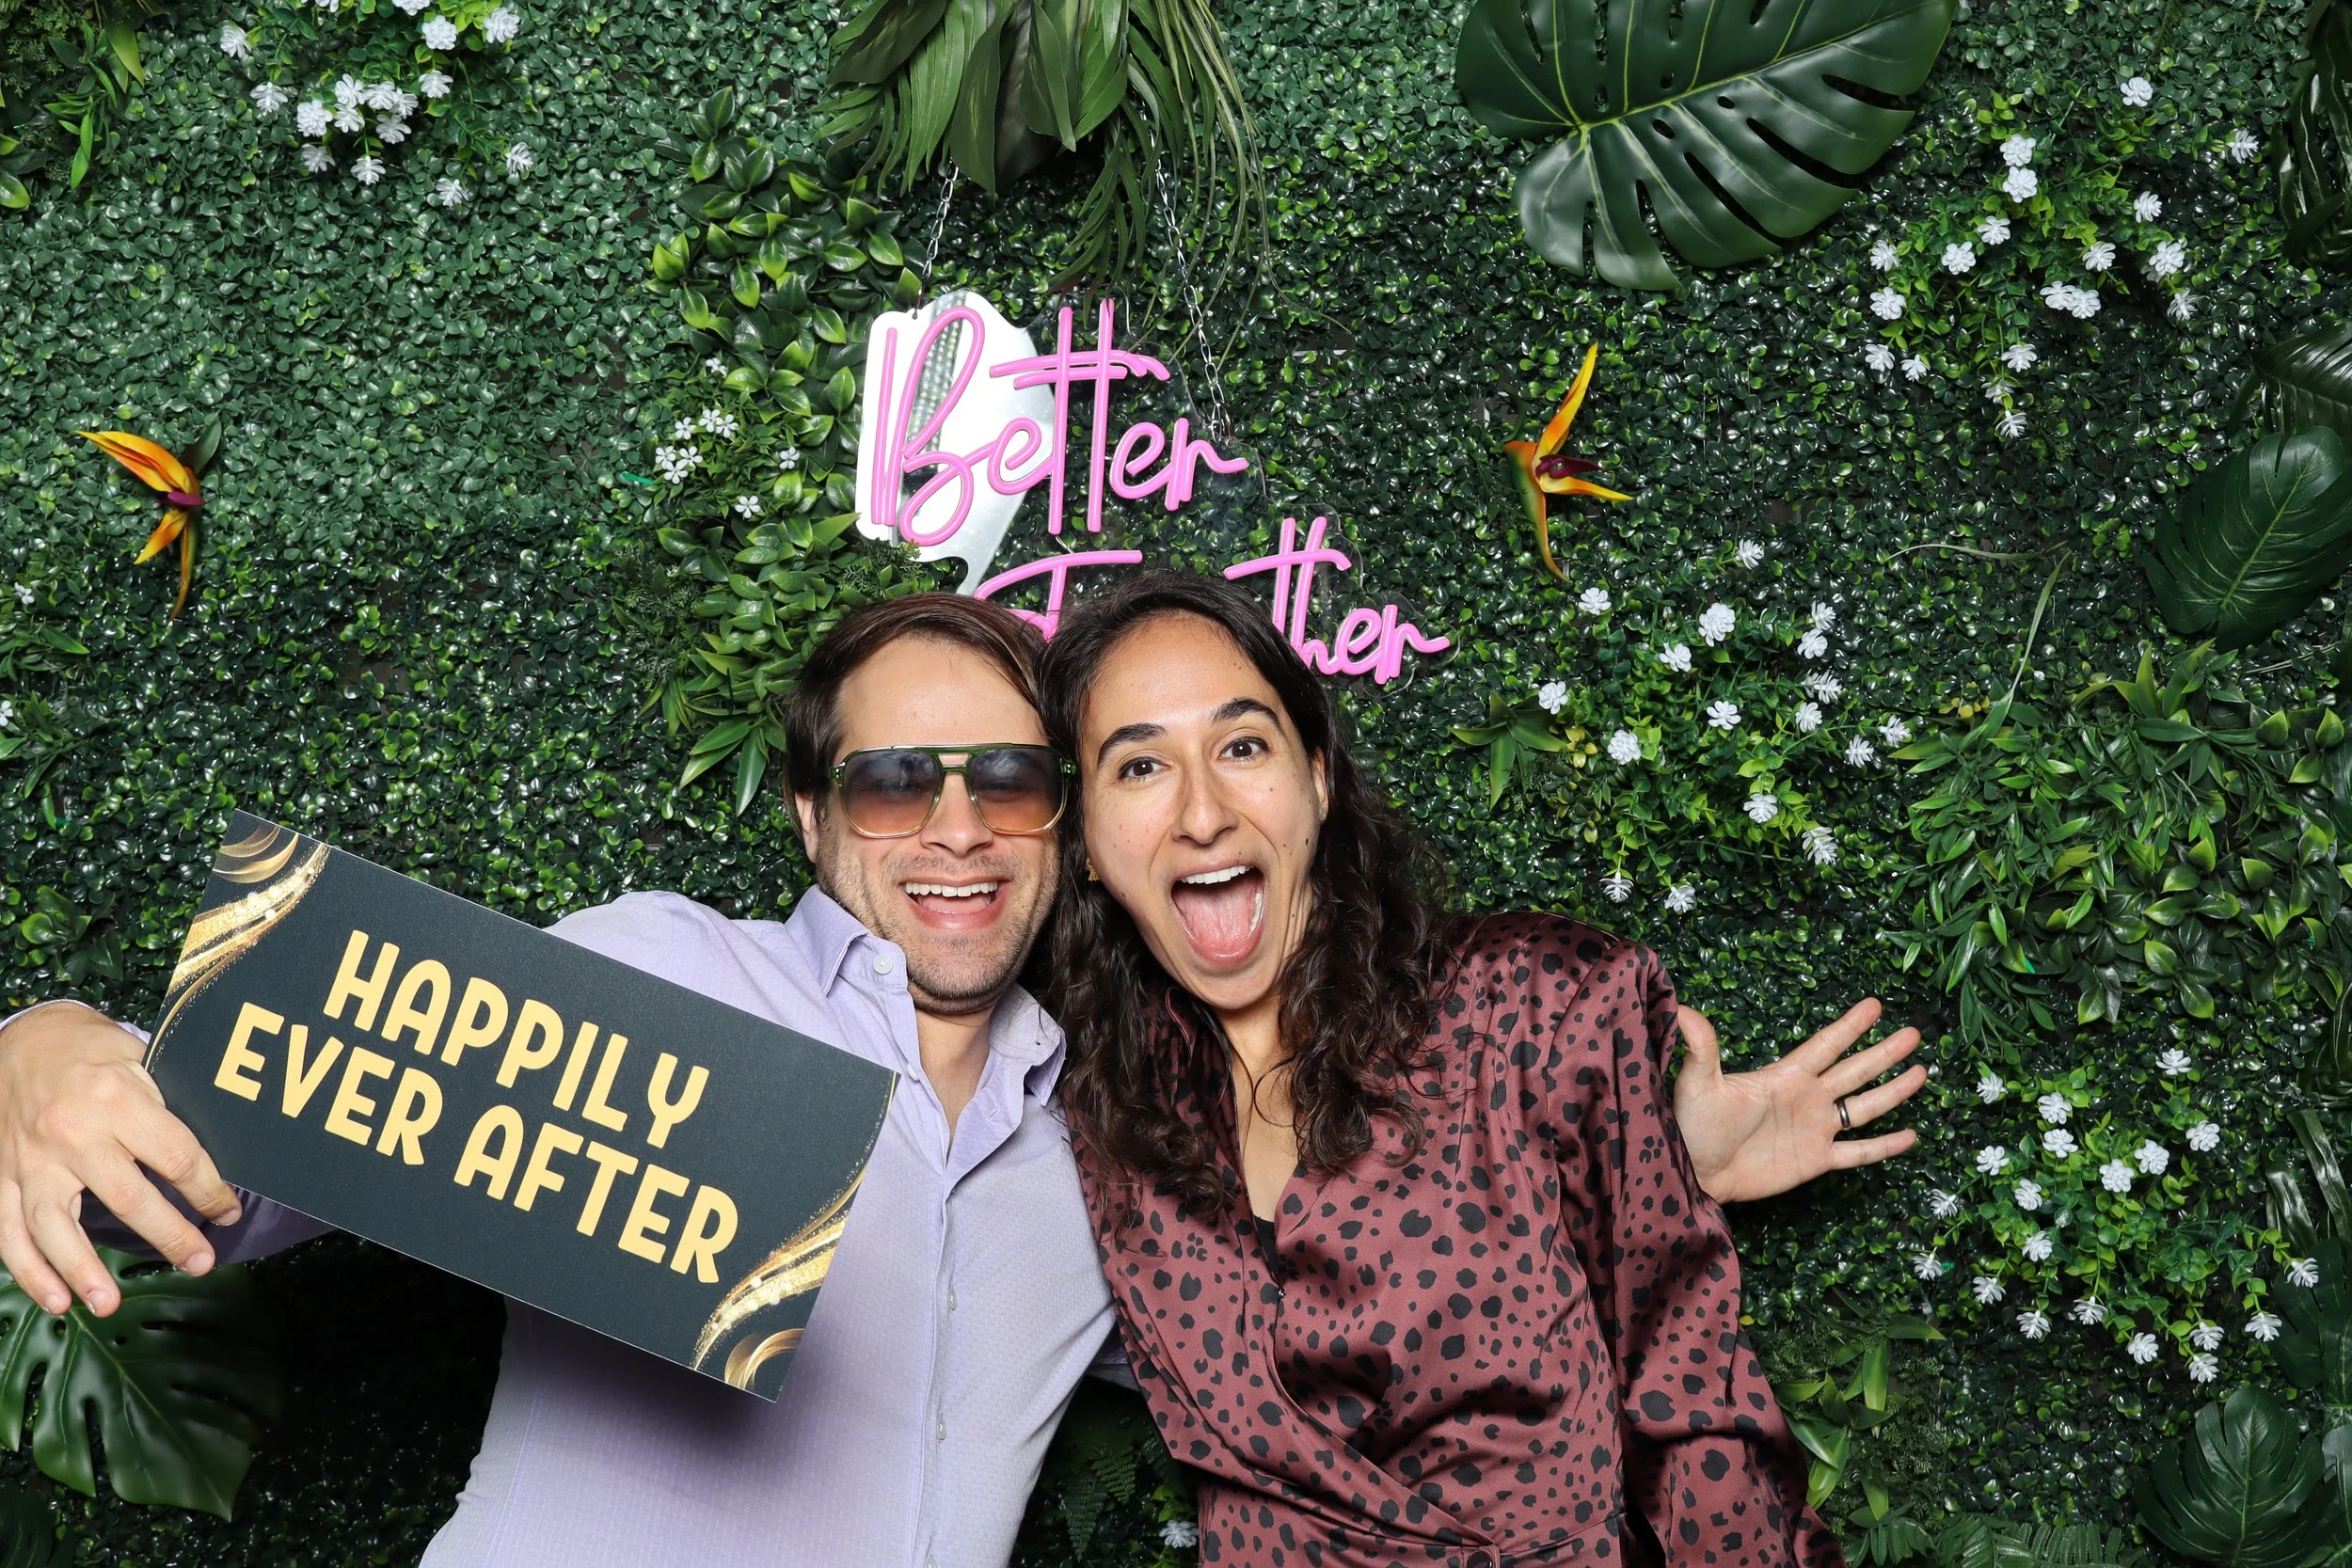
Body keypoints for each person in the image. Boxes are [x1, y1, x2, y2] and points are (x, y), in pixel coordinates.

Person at [0, 594, 1917, 1567]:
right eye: (892, 779)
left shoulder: (1124, 1139)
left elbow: (1337, 1329)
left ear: (1064, 822)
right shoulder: (659, 971)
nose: (952, 827)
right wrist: (43, 1046)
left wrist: (1628, 1167)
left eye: (1004, 773)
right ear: (814, 813)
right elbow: (255, 1148)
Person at [1035, 572, 1907, 1568]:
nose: (1202, 812)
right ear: (1088, 849)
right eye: (1139, 766)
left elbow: (1690, 1398)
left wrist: (1649, 1164)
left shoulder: (1533, 1004)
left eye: (1242, 746)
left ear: (1317, 779)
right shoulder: (1103, 1118)